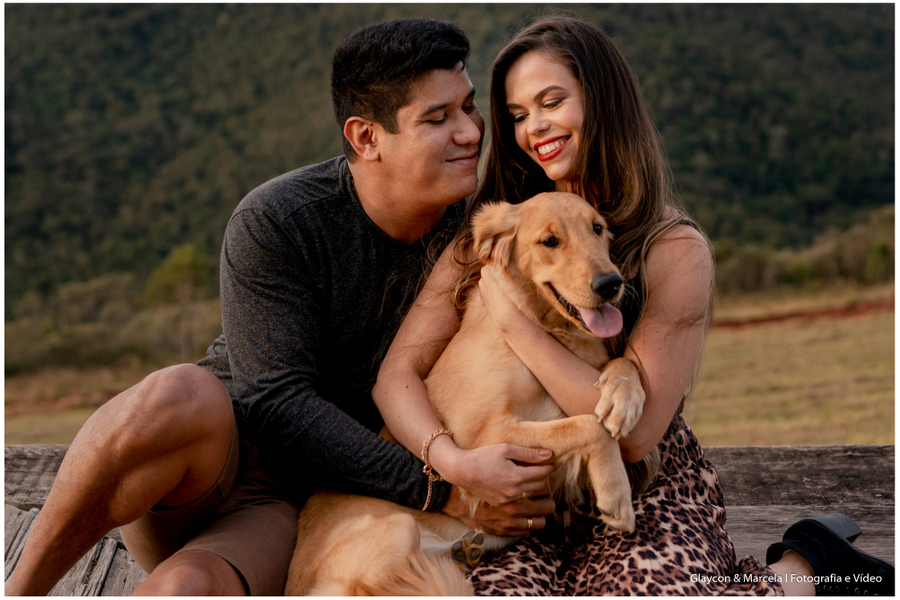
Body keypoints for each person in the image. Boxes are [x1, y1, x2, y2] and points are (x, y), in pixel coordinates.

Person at [5, 18, 557, 596]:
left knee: (183, 589)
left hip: (302, 506)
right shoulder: (281, 218)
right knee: (177, 392)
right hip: (209, 461)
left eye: (470, 108)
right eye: (438, 119)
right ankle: (20, 588)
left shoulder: (481, 239)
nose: (471, 132)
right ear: (367, 138)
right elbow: (275, 403)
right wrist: (442, 489)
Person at [373, 16, 894, 596]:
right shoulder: (494, 234)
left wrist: (516, 327)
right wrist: (453, 478)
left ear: (601, 100)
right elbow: (397, 376)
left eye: (551, 102)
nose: (535, 128)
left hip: (641, 482)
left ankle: (805, 566)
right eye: (518, 115)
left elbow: (636, 435)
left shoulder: (672, 246)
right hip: (520, 502)